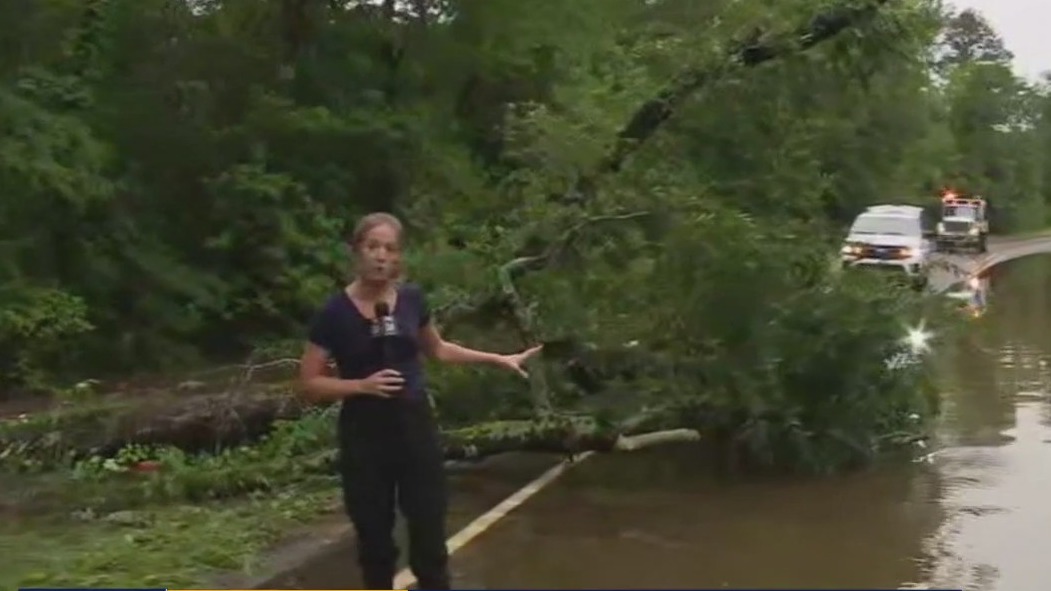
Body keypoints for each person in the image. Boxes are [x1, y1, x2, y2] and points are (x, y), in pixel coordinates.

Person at [298, 212, 541, 590]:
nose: (381, 256)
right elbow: (310, 383)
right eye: (372, 246)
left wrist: (497, 358)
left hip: (415, 427)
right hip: (365, 435)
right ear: (356, 252)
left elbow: (439, 350)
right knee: (375, 538)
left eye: (390, 249)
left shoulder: (412, 300)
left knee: (429, 530)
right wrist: (361, 385)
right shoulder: (334, 313)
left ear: (399, 258)